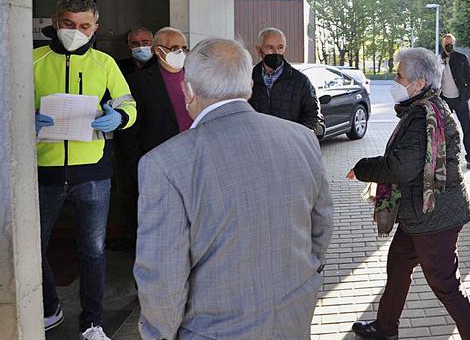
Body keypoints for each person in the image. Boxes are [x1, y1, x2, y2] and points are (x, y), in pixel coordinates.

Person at [135, 38, 333, 339]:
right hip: (294, 313)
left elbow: (162, 275)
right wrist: (304, 282)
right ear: (249, 87)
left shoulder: (163, 164)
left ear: (187, 89)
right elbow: (321, 226)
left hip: (211, 329)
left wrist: (158, 333)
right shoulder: (301, 139)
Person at [347, 47, 470, 340]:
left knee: (446, 285)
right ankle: (385, 328)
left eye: (399, 76)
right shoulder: (421, 110)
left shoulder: (424, 117)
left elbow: (401, 167)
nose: (395, 82)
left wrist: (362, 168)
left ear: (419, 83)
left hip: (434, 216)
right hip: (419, 212)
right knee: (398, 265)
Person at [33, 0, 137, 340]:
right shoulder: (32, 60)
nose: (75, 31)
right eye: (68, 24)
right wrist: (25, 120)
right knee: (35, 246)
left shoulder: (105, 63)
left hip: (92, 172)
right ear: (55, 20)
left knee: (92, 251)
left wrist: (118, 117)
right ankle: (50, 306)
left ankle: (92, 323)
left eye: (84, 26)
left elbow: (129, 105)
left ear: (96, 28)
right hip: (41, 170)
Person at [112, 27, 190, 250]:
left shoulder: (197, 78)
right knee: (157, 234)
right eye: (174, 48)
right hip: (157, 167)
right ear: (158, 51)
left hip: (192, 165)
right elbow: (128, 134)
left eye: (184, 48)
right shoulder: (137, 82)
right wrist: (139, 169)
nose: (180, 53)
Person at [249, 27, 323, 133]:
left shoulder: (301, 81)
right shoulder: (246, 80)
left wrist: (296, 136)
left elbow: (312, 116)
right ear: (258, 50)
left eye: (280, 47)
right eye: (270, 47)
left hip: (289, 145)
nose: (276, 52)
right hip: (257, 144)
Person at [440, 33, 470, 169]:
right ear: (442, 44)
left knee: (466, 128)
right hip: (444, 101)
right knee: (444, 130)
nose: (448, 45)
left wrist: (465, 97)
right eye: (446, 43)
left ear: (454, 44)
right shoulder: (438, 60)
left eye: (451, 43)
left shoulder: (461, 58)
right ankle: (446, 158)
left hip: (460, 100)